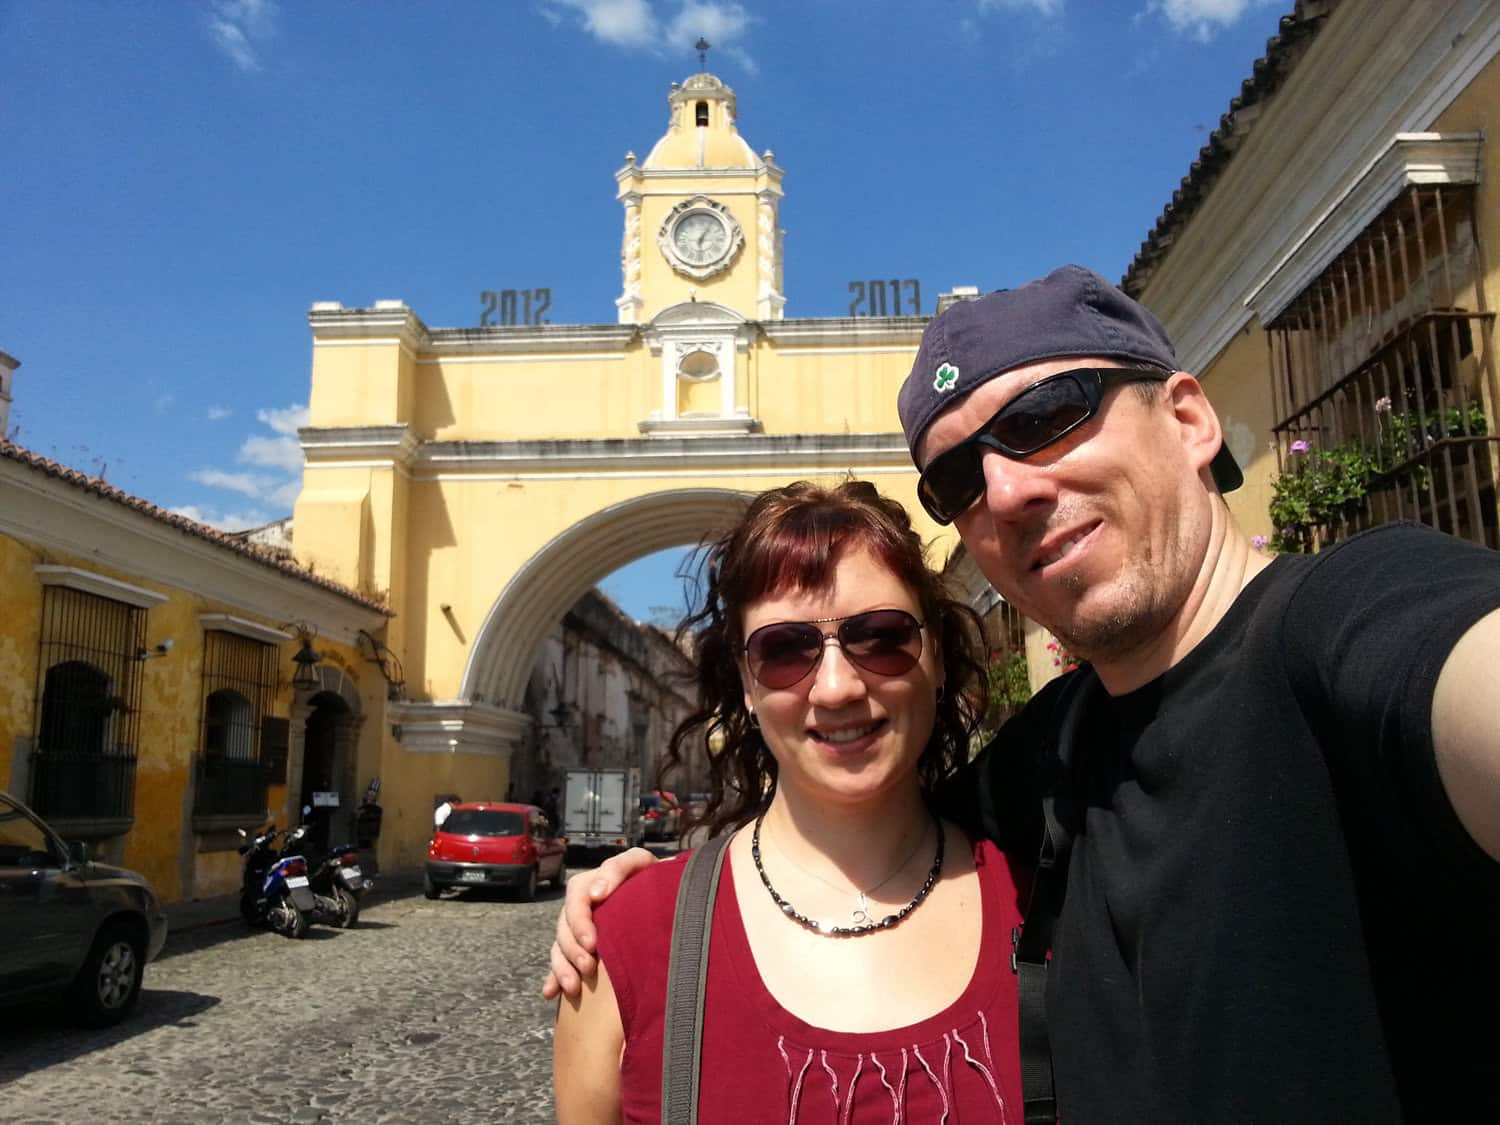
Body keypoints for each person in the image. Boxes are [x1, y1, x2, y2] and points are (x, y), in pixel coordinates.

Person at [547, 266, 1500, 1122]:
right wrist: (658, 895)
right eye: (958, 477)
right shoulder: (1037, 772)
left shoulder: (1348, 629)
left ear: (1188, 418)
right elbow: (853, 811)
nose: (1006, 491)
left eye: (1047, 416)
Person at [552, 481, 1030, 1123]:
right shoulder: (628, 938)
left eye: (882, 637)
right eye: (784, 650)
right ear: (746, 684)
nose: (835, 687)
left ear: (937, 658)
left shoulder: (1050, 899)